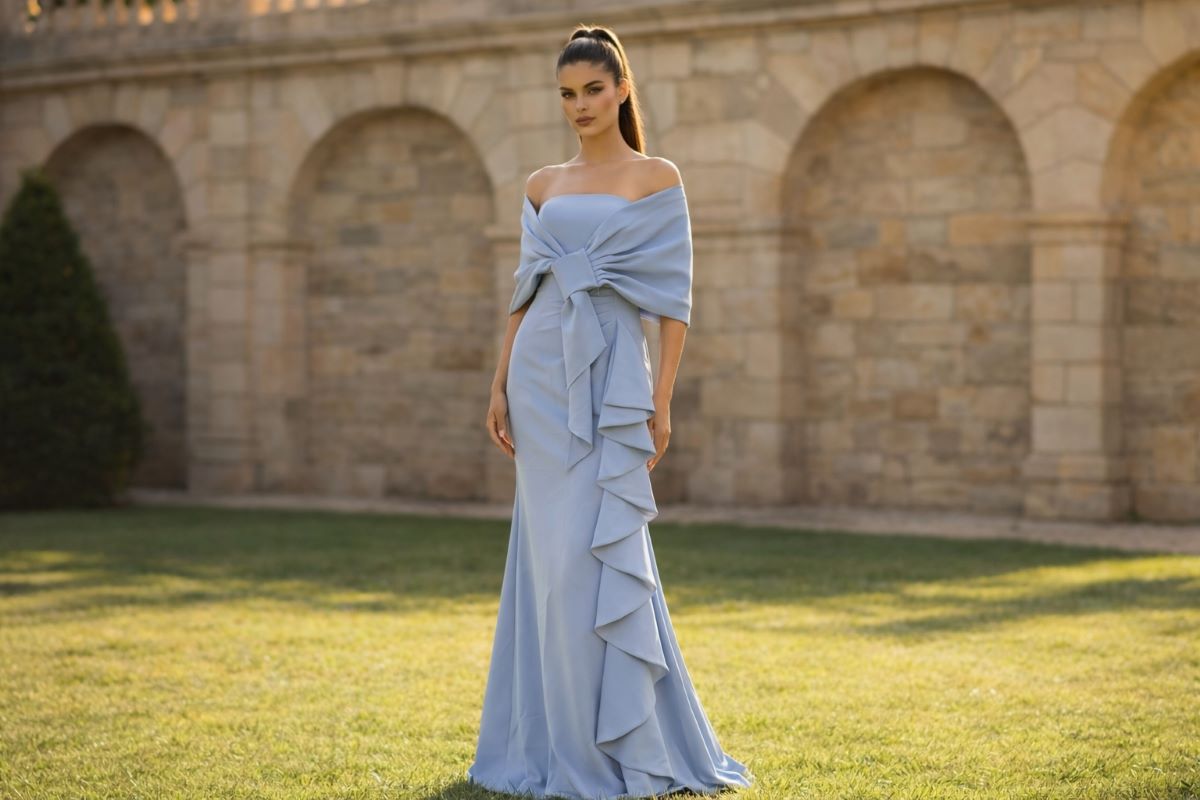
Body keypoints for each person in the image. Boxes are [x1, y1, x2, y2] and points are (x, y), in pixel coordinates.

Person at [469, 24, 755, 800]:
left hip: (610, 382)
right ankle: (554, 744)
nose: (581, 105)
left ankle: (625, 743)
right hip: (538, 378)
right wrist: (498, 382)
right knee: (550, 565)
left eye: (594, 89)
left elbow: (672, 302)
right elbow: (525, 291)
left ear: (622, 89)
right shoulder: (542, 184)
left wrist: (662, 402)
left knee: (592, 558)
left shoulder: (657, 177)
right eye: (567, 94)